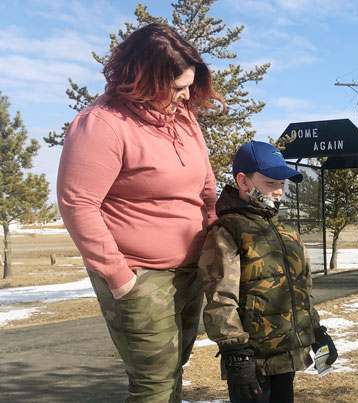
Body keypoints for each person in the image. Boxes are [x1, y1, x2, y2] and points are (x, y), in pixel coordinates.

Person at [57, 23, 222, 402]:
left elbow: (205, 180)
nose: (185, 97)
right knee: (154, 386)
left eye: (188, 87)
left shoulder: (182, 116)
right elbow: (78, 204)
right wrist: (120, 277)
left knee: (173, 369)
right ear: (144, 78)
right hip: (140, 274)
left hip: (190, 269)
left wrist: (213, 228)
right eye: (177, 88)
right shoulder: (103, 124)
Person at [199, 141, 337, 403]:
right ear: (243, 181)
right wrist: (236, 351)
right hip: (253, 359)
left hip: (286, 355)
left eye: (283, 183)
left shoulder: (285, 230)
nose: (279, 191)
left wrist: (316, 331)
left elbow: (300, 289)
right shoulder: (228, 231)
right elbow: (220, 298)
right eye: (270, 183)